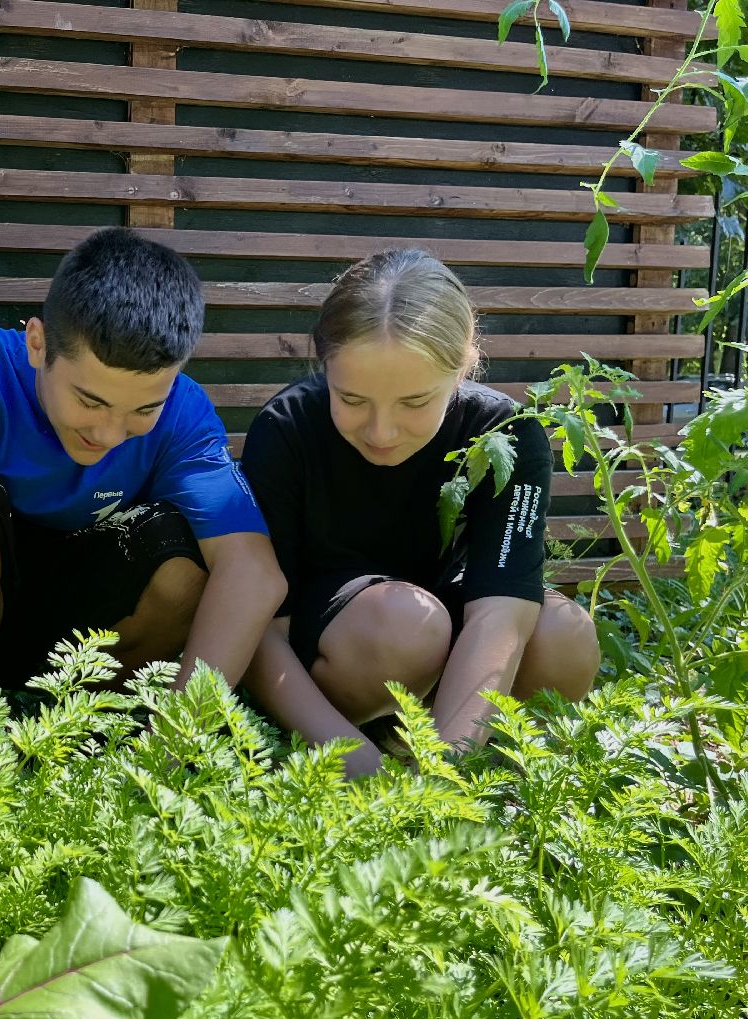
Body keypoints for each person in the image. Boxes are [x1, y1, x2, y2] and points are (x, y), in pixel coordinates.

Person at [0, 227, 285, 716]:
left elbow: (253, 572)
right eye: (90, 401)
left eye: (144, 410)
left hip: (81, 625)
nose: (109, 433)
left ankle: (92, 725)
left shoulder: (186, 411)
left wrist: (176, 736)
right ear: (37, 344)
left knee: (183, 549)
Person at [239, 249, 600, 777]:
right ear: (325, 366)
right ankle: (358, 747)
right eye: (352, 399)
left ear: (463, 368)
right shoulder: (287, 429)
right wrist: (353, 760)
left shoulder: (506, 434)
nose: (381, 432)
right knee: (407, 626)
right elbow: (260, 629)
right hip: (338, 653)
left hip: (443, 638)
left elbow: (503, 612)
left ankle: (452, 760)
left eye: (414, 402)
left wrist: (444, 776)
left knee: (564, 637)